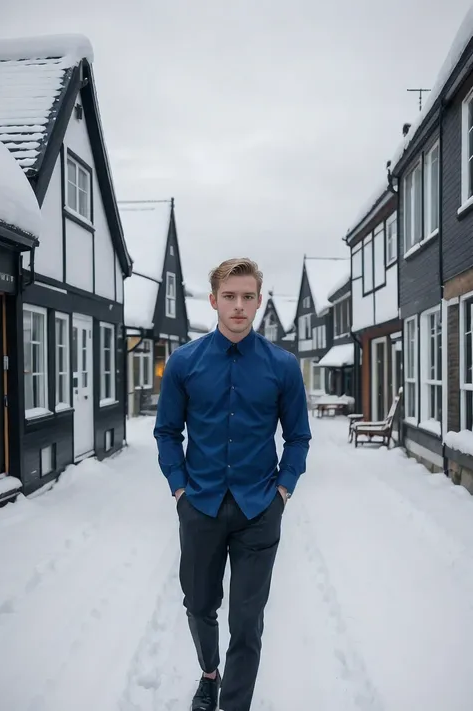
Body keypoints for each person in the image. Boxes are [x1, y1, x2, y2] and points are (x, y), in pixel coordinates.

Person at [154, 257, 311, 711]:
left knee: (247, 620)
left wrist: (282, 491)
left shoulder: (282, 367)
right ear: (214, 301)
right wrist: (179, 489)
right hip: (199, 505)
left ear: (259, 301)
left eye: (247, 297)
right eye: (230, 296)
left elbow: (298, 436)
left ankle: (234, 705)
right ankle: (209, 673)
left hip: (259, 509)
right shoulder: (185, 363)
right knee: (199, 605)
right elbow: (167, 432)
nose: (239, 306)